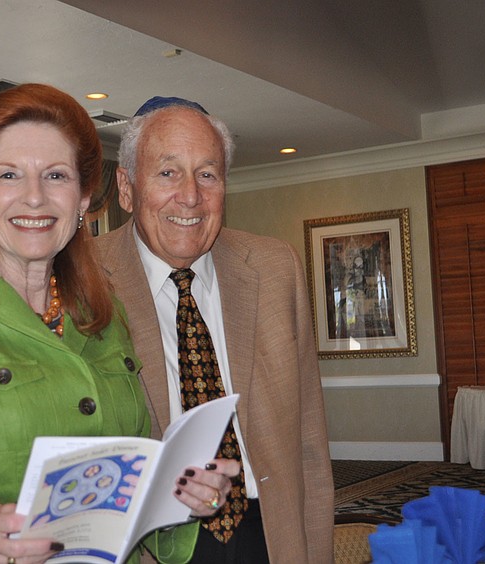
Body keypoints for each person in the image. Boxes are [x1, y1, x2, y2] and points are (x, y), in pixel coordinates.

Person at [0, 84, 234, 564]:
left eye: (55, 175)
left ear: (82, 200)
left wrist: (181, 495)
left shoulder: (103, 317)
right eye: (9, 174)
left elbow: (128, 480)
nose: (34, 198)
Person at [92, 96, 335, 563]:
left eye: (208, 174)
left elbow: (309, 442)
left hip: (267, 530)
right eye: (167, 172)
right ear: (126, 187)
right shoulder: (84, 280)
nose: (190, 196)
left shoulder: (275, 267)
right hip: (152, 540)